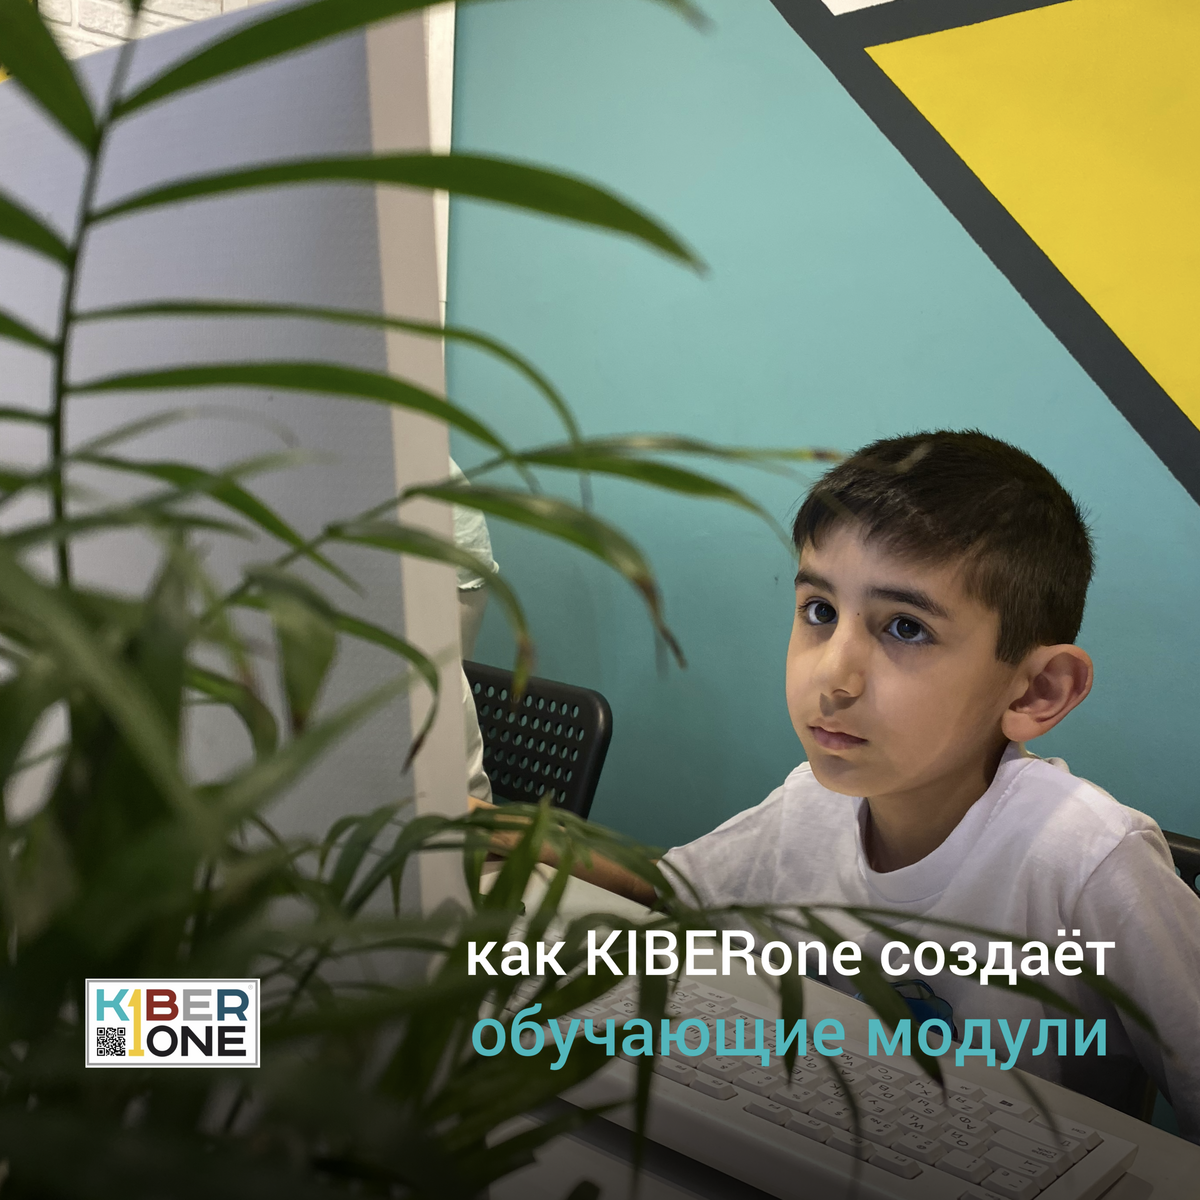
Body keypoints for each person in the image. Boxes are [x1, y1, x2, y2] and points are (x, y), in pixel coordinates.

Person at [485, 430, 1200, 1140]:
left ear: (1037, 690)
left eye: (906, 628)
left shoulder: (1087, 859)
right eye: (820, 611)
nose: (834, 674)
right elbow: (671, 890)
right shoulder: (814, 804)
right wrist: (494, 829)